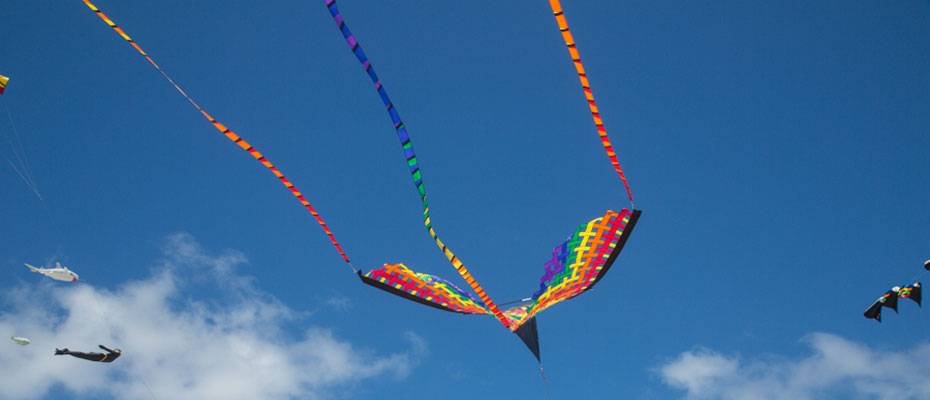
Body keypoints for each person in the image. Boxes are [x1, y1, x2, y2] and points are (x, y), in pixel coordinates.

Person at [54, 345, 121, 363]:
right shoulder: (114, 355)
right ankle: (64, 352)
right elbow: (111, 352)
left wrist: (104, 348)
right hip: (100, 357)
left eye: (116, 350)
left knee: (81, 356)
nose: (114, 350)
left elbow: (111, 351)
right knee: (82, 354)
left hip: (99, 359)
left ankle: (66, 352)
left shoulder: (117, 354)